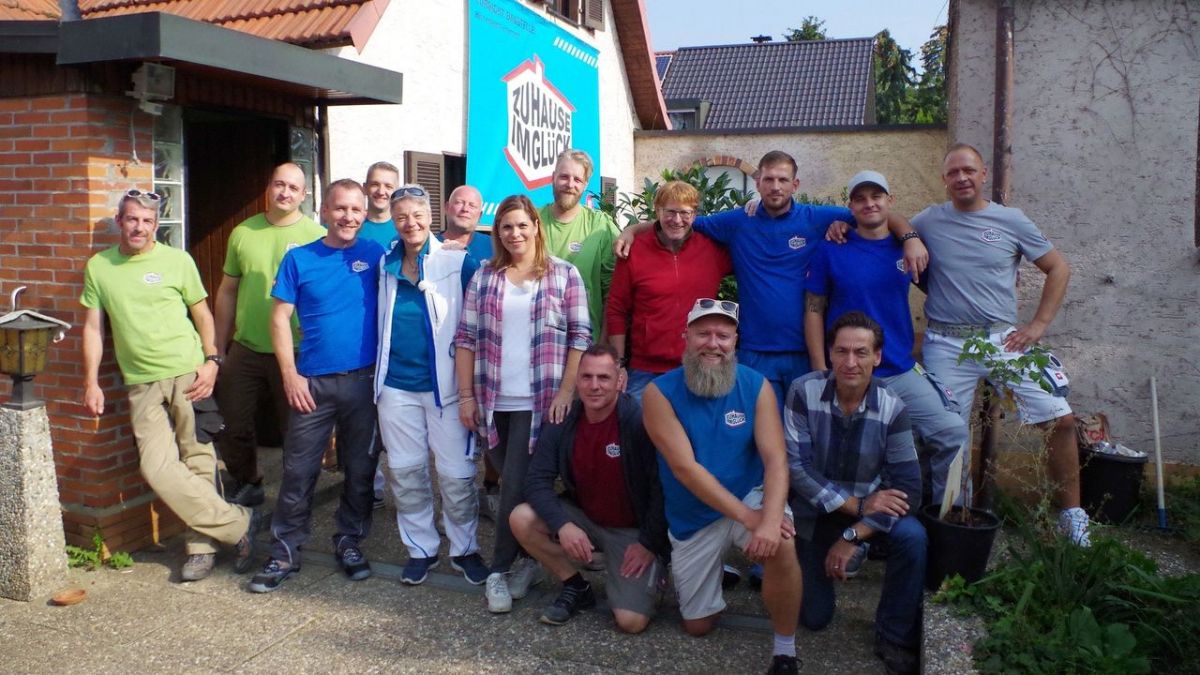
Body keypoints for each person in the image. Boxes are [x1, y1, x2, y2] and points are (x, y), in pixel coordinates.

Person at [617, 151, 927, 405]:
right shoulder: (737, 221)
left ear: (795, 184)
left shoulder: (816, 218)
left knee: (805, 433)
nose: (775, 186)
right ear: (758, 182)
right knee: (759, 432)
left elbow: (875, 213)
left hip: (803, 352)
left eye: (782, 180)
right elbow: (682, 219)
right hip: (754, 352)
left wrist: (910, 236)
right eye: (768, 179)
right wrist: (632, 229)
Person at [81, 188, 259, 582]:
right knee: (156, 466)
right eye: (132, 219)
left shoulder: (178, 261)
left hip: (186, 373)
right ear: (119, 221)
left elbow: (203, 315)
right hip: (140, 382)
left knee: (198, 459)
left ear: (156, 226)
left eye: (147, 220)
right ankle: (237, 523)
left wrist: (212, 361)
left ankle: (200, 549)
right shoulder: (99, 267)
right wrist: (91, 382)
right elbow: (93, 327)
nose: (139, 227)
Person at [913, 144, 1088, 545]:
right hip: (946, 343)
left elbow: (1058, 267)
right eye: (953, 172)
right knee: (947, 435)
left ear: (983, 173)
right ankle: (953, 522)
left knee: (1059, 419)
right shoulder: (928, 220)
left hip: (1001, 339)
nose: (961, 178)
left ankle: (1073, 520)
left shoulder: (1010, 220)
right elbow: (888, 227)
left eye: (968, 170)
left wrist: (1039, 324)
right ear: (944, 179)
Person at [642, 299, 803, 675]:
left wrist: (770, 517)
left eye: (723, 335)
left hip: (748, 494)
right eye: (703, 333)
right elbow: (685, 469)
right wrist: (752, 519)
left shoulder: (756, 385)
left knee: (782, 541)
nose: (712, 343)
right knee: (698, 627)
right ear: (685, 337)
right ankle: (720, 567)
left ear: (736, 342)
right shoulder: (657, 393)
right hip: (692, 514)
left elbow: (776, 459)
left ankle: (784, 651)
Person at [454, 194, 591, 613]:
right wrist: (466, 396)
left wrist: (568, 392)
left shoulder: (564, 275)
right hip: (494, 401)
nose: (514, 234)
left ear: (536, 226)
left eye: (521, 225)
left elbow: (580, 338)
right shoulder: (485, 277)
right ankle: (529, 560)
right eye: (506, 227)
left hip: (542, 402)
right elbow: (465, 339)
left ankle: (498, 570)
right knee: (512, 483)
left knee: (514, 483)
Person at [248, 179, 385, 592]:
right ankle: (285, 551)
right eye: (340, 209)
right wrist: (290, 374)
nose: (348, 217)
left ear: (364, 214)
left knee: (360, 470)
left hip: (363, 382)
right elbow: (278, 319)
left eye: (356, 210)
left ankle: (349, 541)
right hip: (312, 385)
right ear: (324, 212)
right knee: (298, 471)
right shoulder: (300, 259)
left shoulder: (375, 254)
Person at [804, 170, 967, 506]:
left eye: (876, 196)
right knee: (846, 454)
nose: (869, 204)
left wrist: (910, 237)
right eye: (860, 198)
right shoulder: (831, 249)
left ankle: (947, 517)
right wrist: (821, 370)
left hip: (900, 369)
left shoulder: (908, 248)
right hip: (848, 373)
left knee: (952, 432)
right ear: (849, 206)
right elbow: (814, 310)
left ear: (889, 202)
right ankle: (849, 523)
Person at [785, 312, 926, 675]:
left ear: (877, 357)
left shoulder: (893, 408)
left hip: (866, 521)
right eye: (842, 351)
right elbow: (797, 469)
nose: (850, 362)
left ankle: (893, 634)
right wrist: (856, 505)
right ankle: (826, 565)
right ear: (829, 354)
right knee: (814, 618)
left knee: (913, 537)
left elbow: (909, 489)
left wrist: (854, 532)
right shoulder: (803, 391)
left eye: (861, 352)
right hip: (815, 513)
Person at [374, 184, 488, 586]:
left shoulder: (457, 263)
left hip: (447, 388)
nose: (411, 223)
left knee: (457, 475)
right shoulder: (384, 263)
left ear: (430, 217)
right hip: (395, 387)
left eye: (418, 215)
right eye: (402, 216)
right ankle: (420, 548)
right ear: (393, 220)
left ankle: (464, 548)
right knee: (405, 472)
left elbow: (479, 321)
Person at [510, 344, 669, 630]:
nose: (594, 386)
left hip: (632, 530)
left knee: (631, 622)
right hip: (585, 518)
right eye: (586, 377)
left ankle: (652, 574)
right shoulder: (564, 418)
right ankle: (575, 586)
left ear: (620, 381)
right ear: (577, 380)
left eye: (604, 378)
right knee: (521, 518)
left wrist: (649, 543)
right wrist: (563, 525)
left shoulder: (638, 423)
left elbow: (663, 489)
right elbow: (536, 481)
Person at [213, 162, 325, 507]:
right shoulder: (243, 232)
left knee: (297, 430)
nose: (285, 193)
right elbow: (228, 291)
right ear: (268, 188)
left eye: (293, 188)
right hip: (246, 347)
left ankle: (296, 496)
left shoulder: (317, 237)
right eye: (279, 184)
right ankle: (248, 481)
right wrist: (217, 348)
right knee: (233, 423)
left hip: (296, 350)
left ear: (303, 195)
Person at [606, 180, 732, 400]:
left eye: (685, 213)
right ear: (657, 211)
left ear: (694, 215)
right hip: (645, 371)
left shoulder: (712, 249)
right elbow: (616, 309)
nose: (677, 220)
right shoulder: (634, 251)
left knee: (693, 434)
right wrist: (619, 363)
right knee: (641, 433)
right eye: (670, 212)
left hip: (699, 365)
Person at [538, 149, 620, 340]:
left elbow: (614, 292)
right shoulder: (533, 220)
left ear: (585, 185)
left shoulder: (600, 226)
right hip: (538, 339)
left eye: (577, 180)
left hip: (585, 341)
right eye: (564, 177)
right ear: (553, 178)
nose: (570, 184)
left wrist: (604, 344)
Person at [440, 184, 494, 261]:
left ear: (480, 215)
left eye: (472, 205)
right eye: (459, 202)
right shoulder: (431, 247)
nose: (465, 209)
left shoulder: (495, 247)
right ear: (447, 207)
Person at [358, 161, 400, 249]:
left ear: (396, 192)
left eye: (388, 186)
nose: (381, 192)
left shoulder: (404, 229)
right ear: (365, 188)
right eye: (375, 185)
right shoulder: (350, 227)